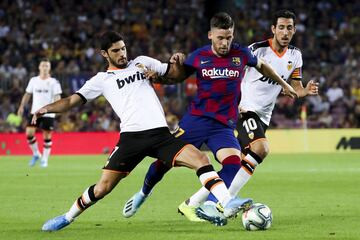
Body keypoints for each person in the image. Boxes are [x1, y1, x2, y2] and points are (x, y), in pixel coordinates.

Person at [34, 31, 251, 232]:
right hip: (131, 138)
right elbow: (72, 101)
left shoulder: (142, 62)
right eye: (116, 50)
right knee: (103, 188)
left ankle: (226, 201)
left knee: (201, 159)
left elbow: (172, 74)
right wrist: (46, 108)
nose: (122, 54)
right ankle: (68, 216)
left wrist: (177, 60)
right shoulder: (101, 80)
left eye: (123, 48)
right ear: (104, 54)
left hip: (160, 135)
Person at [122, 12, 298, 226]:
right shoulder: (198, 56)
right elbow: (176, 77)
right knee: (163, 163)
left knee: (234, 164)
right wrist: (161, 74)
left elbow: (262, 66)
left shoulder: (241, 54)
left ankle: (212, 205)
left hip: (223, 126)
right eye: (220, 38)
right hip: (195, 122)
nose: (225, 43)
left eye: (229, 37)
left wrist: (285, 84)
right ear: (210, 35)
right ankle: (143, 193)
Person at [182, 9, 320, 222]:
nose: (285, 32)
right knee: (261, 148)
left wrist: (305, 91)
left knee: (238, 162)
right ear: (273, 29)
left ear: (294, 31)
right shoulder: (256, 50)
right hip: (244, 109)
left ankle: (191, 203)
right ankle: (221, 203)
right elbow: (231, 74)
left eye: (289, 28)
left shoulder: (295, 55)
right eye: (281, 27)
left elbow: (294, 89)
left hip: (263, 117)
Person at [17, 59, 62, 167]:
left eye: (47, 66)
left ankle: (45, 159)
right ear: (39, 67)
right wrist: (22, 106)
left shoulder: (54, 82)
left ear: (49, 68)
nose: (45, 67)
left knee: (46, 136)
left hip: (48, 113)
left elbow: (57, 97)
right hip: (35, 112)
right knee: (29, 133)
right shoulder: (33, 80)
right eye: (43, 65)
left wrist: (58, 107)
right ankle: (36, 154)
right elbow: (27, 94)